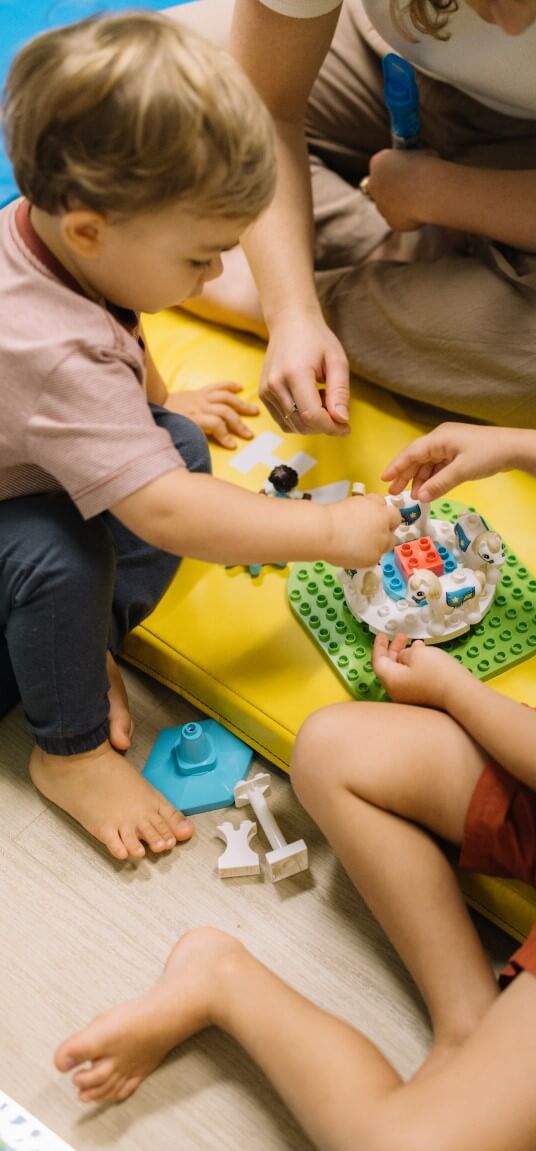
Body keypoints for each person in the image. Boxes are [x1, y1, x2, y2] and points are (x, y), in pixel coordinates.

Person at [53, 263, 536, 1149]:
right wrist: (524, 446)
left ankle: (223, 981)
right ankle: (468, 1015)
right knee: (332, 751)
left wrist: (452, 689)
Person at [0, 12, 400, 863]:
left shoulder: (65, 245)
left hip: (22, 465)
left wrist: (155, 397)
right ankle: (67, 750)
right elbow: (172, 517)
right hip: (11, 518)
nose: (217, 277)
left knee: (175, 438)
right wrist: (327, 533)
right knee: (61, 558)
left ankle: (84, 644)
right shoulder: (45, 345)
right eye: (199, 258)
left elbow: (123, 328)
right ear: (90, 230)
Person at [173, 0, 536, 433]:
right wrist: (290, 311)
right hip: (367, 53)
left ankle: (249, 278)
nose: (510, 26)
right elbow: (266, 108)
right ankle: (383, 273)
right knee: (116, 99)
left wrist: (437, 193)